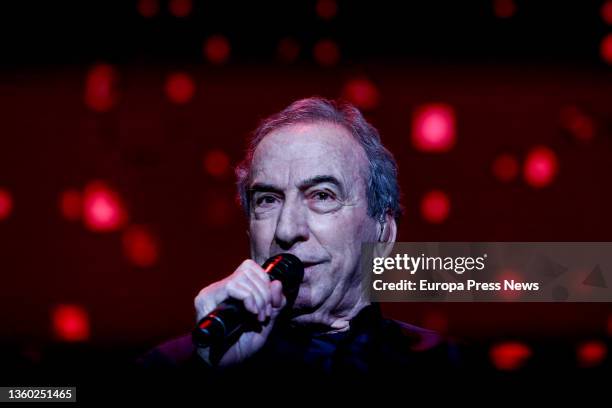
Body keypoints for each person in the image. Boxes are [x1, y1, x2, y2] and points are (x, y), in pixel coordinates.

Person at [139, 97, 458, 383]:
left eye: (322, 195)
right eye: (267, 200)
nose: (287, 230)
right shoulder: (167, 369)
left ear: (383, 233)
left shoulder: (448, 367)